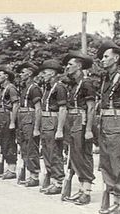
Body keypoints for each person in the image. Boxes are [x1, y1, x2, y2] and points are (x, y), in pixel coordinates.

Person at [97, 40, 120, 214]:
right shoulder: (105, 78)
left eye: (106, 56)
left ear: (116, 58)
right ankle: (116, 201)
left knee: (118, 162)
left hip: (117, 121)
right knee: (106, 163)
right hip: (104, 121)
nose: (102, 60)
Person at [62, 50, 96, 205]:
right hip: (72, 121)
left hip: (82, 122)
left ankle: (87, 191)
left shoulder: (86, 83)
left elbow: (91, 108)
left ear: (79, 65)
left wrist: (88, 129)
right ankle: (81, 189)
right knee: (75, 155)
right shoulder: (74, 84)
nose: (67, 67)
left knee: (83, 155)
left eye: (70, 64)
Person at [39, 59, 67, 195]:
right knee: (46, 151)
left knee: (54, 152)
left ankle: (58, 181)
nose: (42, 75)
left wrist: (60, 129)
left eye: (44, 72)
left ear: (52, 73)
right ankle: (51, 178)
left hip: (54, 120)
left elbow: (63, 109)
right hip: (45, 120)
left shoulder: (59, 87)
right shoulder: (48, 88)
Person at [15, 62, 42, 186]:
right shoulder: (25, 87)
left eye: (23, 72)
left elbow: (38, 108)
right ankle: (28, 173)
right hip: (22, 118)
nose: (21, 74)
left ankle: (34, 176)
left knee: (31, 147)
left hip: (29, 118)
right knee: (24, 147)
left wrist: (36, 127)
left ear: (30, 73)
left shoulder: (34, 88)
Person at [0, 67, 19, 180]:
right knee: (3, 142)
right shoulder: (2, 89)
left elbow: (15, 105)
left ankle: (12, 169)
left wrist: (12, 122)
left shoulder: (11, 88)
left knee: (9, 142)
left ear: (6, 76)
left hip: (8, 116)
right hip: (2, 117)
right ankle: (7, 167)